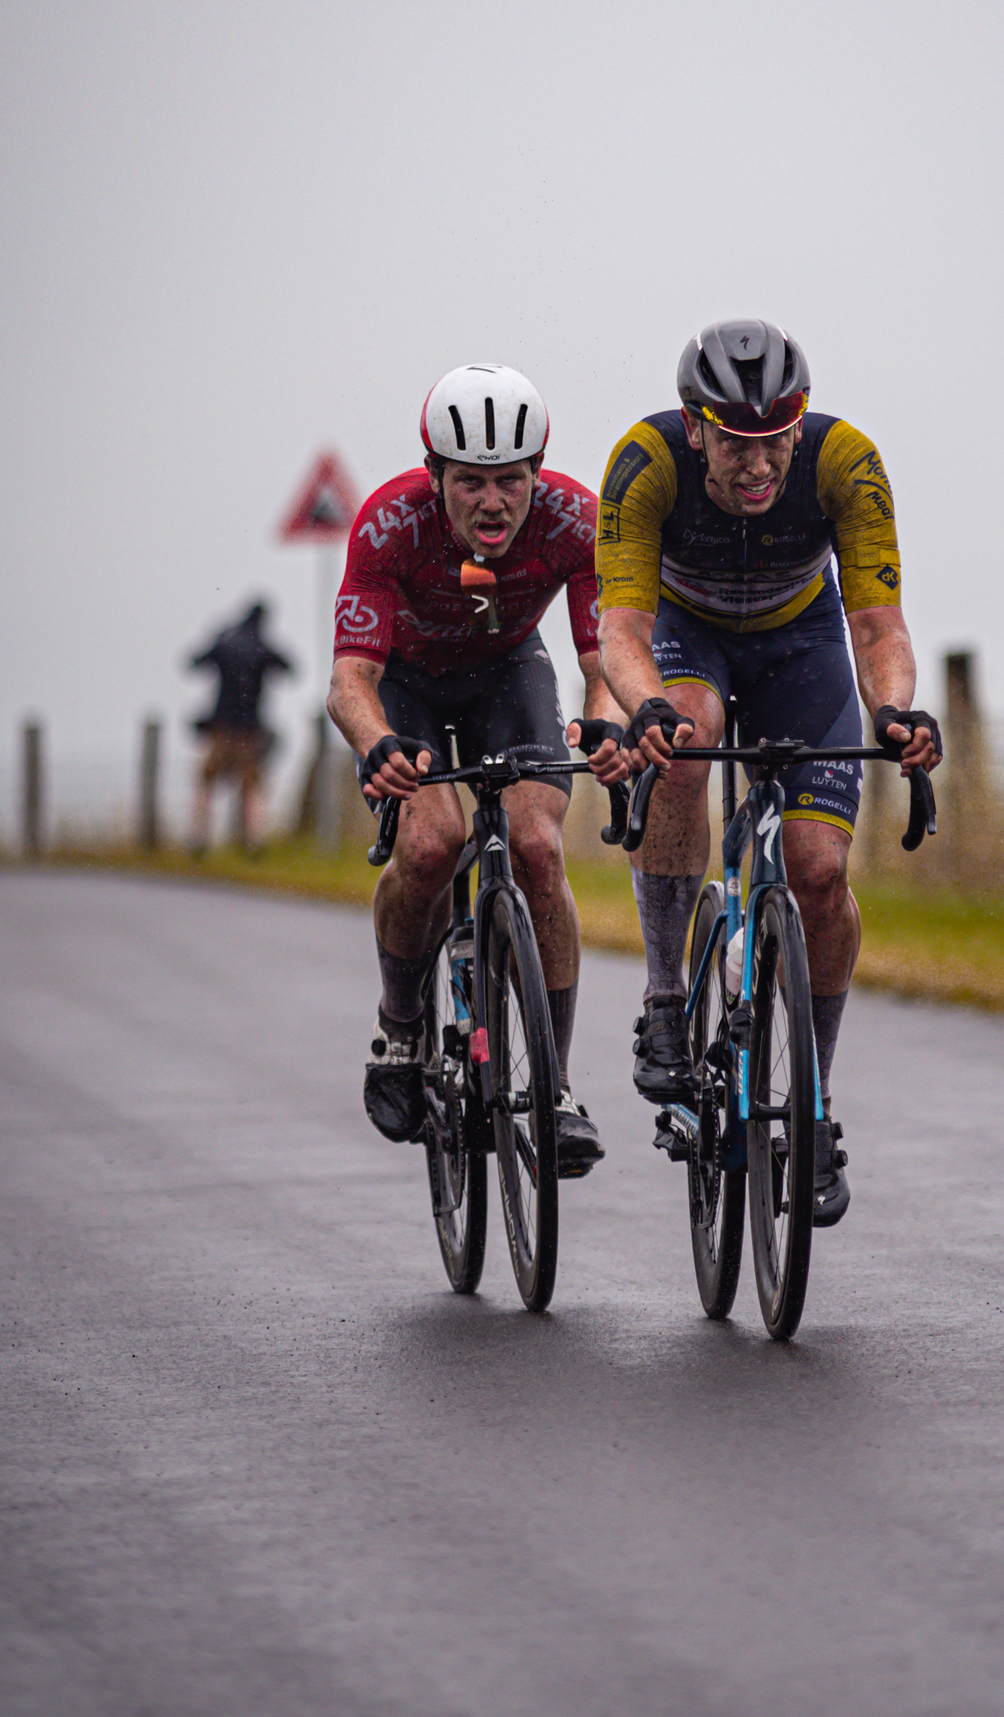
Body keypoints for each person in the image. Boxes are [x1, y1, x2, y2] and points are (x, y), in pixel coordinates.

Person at [591, 319, 942, 1227]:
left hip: (803, 642)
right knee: (689, 738)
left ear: (801, 425)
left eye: (777, 441)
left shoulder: (846, 462)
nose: (759, 466)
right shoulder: (645, 462)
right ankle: (666, 997)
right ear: (695, 426)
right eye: (737, 444)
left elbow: (878, 628)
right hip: (688, 633)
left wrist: (895, 709)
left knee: (820, 873)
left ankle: (814, 1105)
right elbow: (620, 632)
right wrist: (648, 709)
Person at [327, 363, 623, 1177]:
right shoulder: (389, 525)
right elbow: (349, 682)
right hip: (408, 684)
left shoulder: (572, 520)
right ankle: (400, 1028)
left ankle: (554, 1088)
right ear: (434, 478)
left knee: (538, 847)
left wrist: (602, 713)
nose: (492, 503)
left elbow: (603, 658)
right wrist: (376, 743)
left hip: (507, 674)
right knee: (428, 846)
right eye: (469, 483)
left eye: (510, 481)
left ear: (537, 473)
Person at [186, 600, 295, 854]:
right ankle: (254, 840)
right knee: (252, 785)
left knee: (206, 781)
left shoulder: (225, 643)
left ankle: (198, 837)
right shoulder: (262, 647)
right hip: (250, 732)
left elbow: (194, 662)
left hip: (220, 729)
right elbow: (288, 667)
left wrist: (218, 637)